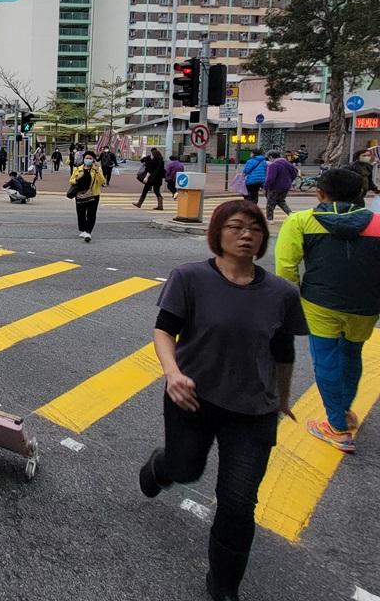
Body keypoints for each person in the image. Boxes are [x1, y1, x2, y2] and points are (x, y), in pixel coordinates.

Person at [138, 199, 301, 601]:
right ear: (217, 233)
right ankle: (162, 466)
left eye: (255, 229)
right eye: (236, 227)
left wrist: (282, 399)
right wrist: (173, 374)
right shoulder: (189, 277)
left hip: (254, 411)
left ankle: (224, 586)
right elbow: (164, 330)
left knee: (238, 502)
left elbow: (283, 352)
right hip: (192, 399)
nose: (246, 235)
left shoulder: (281, 293)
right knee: (185, 469)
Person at [276, 168, 380, 454]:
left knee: (326, 360)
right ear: (361, 194)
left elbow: (286, 267)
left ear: (320, 194)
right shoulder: (377, 223)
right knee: (352, 353)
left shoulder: (301, 221)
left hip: (319, 303)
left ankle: (336, 426)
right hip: (367, 306)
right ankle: (343, 411)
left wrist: (292, 301)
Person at [69, 150, 105, 242]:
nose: (88, 160)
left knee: (91, 214)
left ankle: (88, 231)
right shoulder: (78, 169)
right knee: (80, 213)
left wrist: (97, 171)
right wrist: (77, 178)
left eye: (90, 158)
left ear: (93, 160)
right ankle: (83, 229)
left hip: (94, 194)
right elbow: (71, 181)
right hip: (80, 194)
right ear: (83, 159)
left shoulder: (97, 169)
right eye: (86, 158)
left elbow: (103, 182)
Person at [262, 150, 299, 222]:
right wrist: (289, 180)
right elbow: (295, 173)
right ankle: (290, 214)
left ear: (271, 157)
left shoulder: (273, 165)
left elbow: (270, 178)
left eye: (268, 158)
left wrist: (265, 187)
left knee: (270, 203)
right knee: (281, 201)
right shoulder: (288, 164)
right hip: (286, 186)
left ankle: (270, 219)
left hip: (275, 187)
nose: (269, 160)